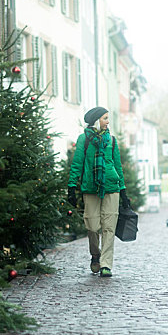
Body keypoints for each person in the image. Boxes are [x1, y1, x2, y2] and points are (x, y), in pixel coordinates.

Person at [67, 107, 130, 277]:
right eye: (105, 118)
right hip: (91, 188)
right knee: (92, 226)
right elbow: (77, 164)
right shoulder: (84, 140)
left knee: (109, 228)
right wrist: (71, 187)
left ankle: (106, 264)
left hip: (112, 188)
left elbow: (118, 166)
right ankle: (95, 254)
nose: (108, 121)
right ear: (96, 120)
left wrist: (123, 191)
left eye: (108, 118)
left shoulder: (112, 141)